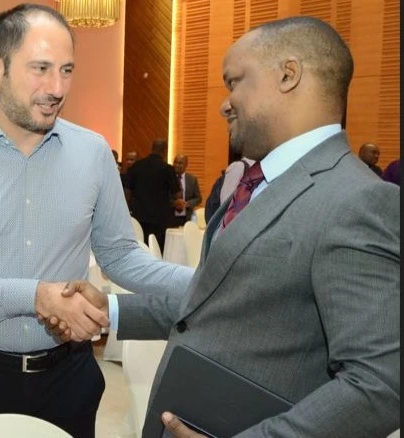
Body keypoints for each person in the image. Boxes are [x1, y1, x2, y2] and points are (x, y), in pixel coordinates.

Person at [51, 16, 400, 438]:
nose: (224, 102)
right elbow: (218, 301)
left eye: (234, 81)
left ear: (288, 75)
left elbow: (380, 386)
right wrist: (112, 310)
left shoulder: (357, 200)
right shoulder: (263, 184)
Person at [0, 4, 192, 437]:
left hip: (68, 377)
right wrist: (35, 296)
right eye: (40, 68)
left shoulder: (93, 152)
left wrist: (205, 282)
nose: (57, 88)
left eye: (67, 70)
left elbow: (119, 255)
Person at [125, 138, 181, 250]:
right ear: (165, 151)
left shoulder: (136, 166)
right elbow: (177, 194)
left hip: (138, 216)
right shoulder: (167, 169)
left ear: (151, 148)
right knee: (156, 250)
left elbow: (127, 191)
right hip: (159, 220)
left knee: (140, 247)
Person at [171, 154, 202, 227]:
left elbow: (198, 198)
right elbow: (163, 197)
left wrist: (187, 204)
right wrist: (174, 203)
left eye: (180, 163)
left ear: (186, 165)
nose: (177, 165)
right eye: (175, 162)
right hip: (170, 218)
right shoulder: (168, 178)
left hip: (187, 218)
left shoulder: (192, 179)